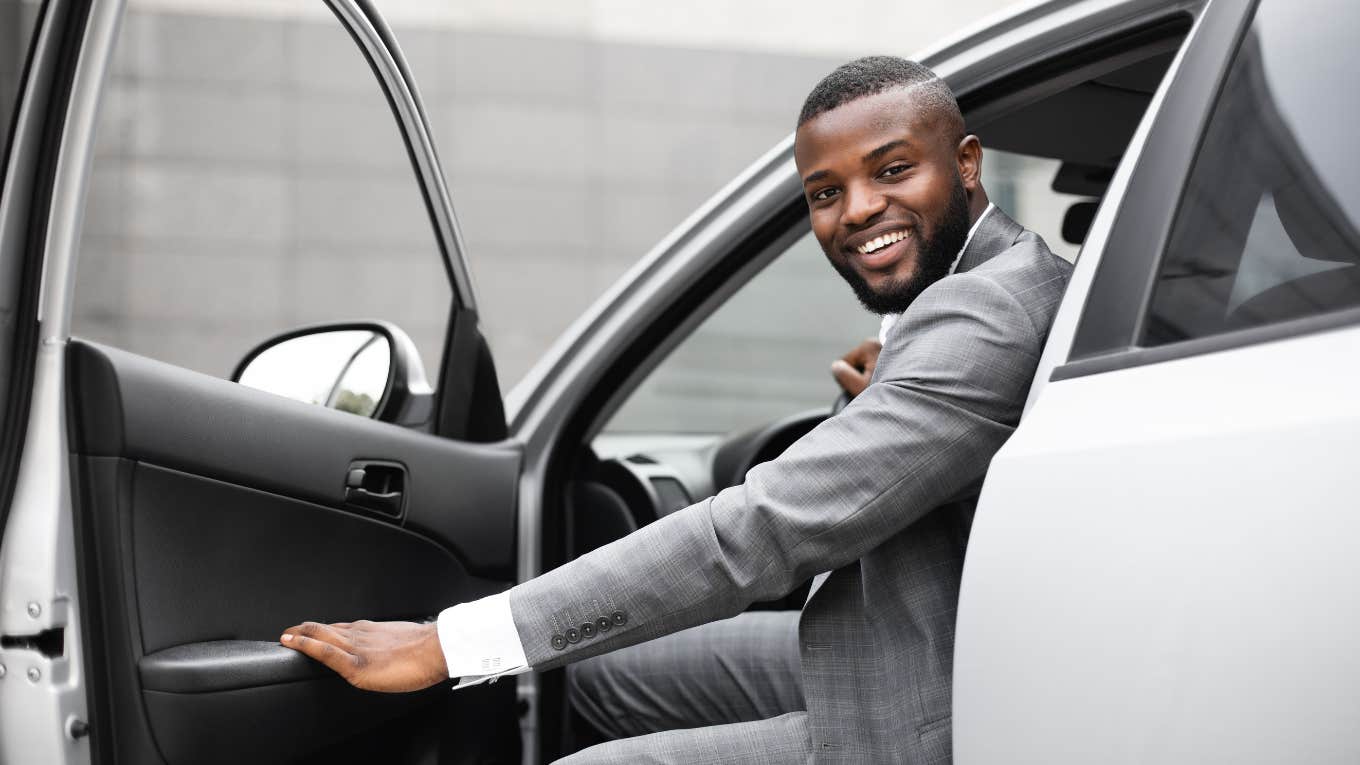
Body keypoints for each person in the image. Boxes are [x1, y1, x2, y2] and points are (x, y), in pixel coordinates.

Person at [279, 56, 1073, 763]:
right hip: (921, 639)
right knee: (598, 676)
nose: (858, 209)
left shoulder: (986, 314)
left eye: (892, 170)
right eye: (825, 192)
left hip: (932, 709)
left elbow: (764, 527)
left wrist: (449, 642)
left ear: (967, 163)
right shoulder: (996, 284)